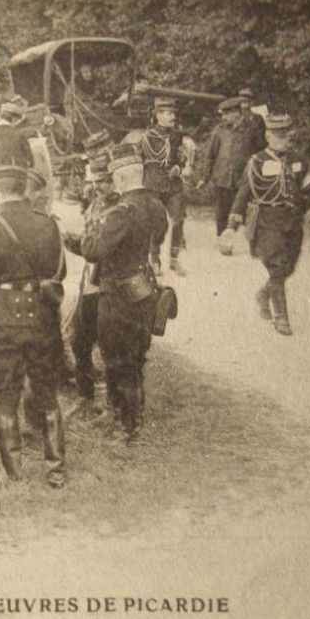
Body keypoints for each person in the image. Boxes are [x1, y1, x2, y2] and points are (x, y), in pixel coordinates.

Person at [0, 164, 67, 486]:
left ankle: (15, 473)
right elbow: (59, 272)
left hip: (2, 322)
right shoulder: (48, 225)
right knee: (48, 393)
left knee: (7, 397)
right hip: (41, 318)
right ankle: (56, 469)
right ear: (24, 189)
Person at [76, 149, 167, 441]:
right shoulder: (155, 206)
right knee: (136, 355)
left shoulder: (121, 212)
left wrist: (82, 236)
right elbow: (160, 235)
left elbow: (93, 250)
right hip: (142, 288)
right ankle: (126, 413)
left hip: (117, 294)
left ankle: (126, 424)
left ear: (123, 177)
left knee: (116, 356)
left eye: (114, 177)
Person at [229, 114, 310, 335]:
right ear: (268, 136)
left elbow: (308, 189)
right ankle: (281, 317)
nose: (283, 139)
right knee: (276, 267)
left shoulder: (297, 159)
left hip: (293, 220)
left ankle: (264, 294)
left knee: (288, 267)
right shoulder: (257, 162)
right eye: (278, 135)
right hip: (267, 222)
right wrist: (232, 224)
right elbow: (244, 193)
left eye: (286, 135)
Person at [60, 134, 117, 414]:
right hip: (90, 282)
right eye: (95, 182)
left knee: (107, 346)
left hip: (107, 286)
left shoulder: (120, 208)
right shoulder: (96, 202)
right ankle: (86, 398)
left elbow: (99, 247)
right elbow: (89, 238)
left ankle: (111, 405)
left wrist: (77, 242)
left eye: (104, 181)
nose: (98, 187)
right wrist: (72, 238)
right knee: (79, 340)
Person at [128, 96, 191, 275]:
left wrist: (179, 167)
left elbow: (180, 158)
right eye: (168, 113)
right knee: (156, 224)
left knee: (178, 220)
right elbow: (136, 159)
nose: (172, 117)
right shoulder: (147, 137)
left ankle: (174, 259)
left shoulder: (177, 135)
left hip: (173, 185)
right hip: (153, 184)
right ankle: (154, 258)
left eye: (173, 113)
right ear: (157, 115)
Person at [196, 97, 254, 243]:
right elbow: (210, 155)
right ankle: (224, 241)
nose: (223, 118)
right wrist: (204, 177)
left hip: (243, 178)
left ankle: (252, 241)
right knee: (222, 211)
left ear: (237, 113)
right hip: (222, 177)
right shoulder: (219, 131)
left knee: (243, 209)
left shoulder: (251, 130)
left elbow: (260, 152)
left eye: (226, 114)